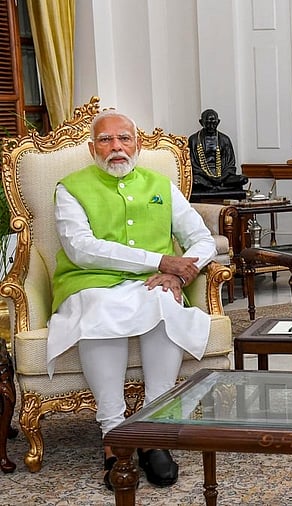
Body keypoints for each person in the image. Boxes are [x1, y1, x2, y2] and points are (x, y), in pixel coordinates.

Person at [48, 109, 218, 490]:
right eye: (106, 140)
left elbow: (202, 240)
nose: (116, 147)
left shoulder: (161, 185)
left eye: (124, 138)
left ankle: (154, 431)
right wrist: (159, 260)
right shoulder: (70, 187)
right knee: (101, 310)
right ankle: (114, 438)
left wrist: (176, 271)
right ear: (93, 148)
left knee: (164, 302)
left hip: (153, 282)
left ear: (137, 145)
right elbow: (81, 248)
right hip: (90, 283)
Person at [187, 108, 247, 193]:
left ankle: (213, 188)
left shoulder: (224, 139)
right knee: (195, 181)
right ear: (201, 122)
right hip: (203, 177)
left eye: (214, 123)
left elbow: (230, 164)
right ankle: (219, 188)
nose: (211, 126)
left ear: (218, 122)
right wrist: (209, 177)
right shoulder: (194, 140)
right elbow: (192, 164)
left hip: (222, 176)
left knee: (243, 179)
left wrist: (221, 178)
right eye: (208, 123)